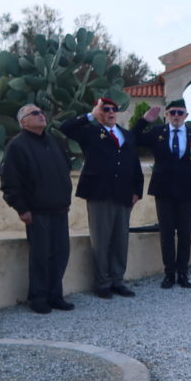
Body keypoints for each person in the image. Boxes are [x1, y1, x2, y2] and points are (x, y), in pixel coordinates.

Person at [60, 97, 144, 300]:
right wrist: (90, 115)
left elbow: (134, 162)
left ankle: (117, 280)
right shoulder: (90, 131)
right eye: (105, 109)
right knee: (101, 239)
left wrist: (137, 190)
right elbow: (65, 128)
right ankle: (102, 282)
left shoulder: (125, 135)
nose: (110, 112)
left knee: (120, 240)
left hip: (123, 194)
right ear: (99, 112)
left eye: (113, 109)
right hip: (100, 193)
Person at [1, 103, 74, 313]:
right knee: (40, 256)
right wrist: (21, 208)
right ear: (23, 122)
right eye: (34, 113)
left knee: (60, 254)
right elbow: (10, 181)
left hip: (59, 210)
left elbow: (64, 171)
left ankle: (55, 295)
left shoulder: (53, 141)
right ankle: (38, 297)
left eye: (41, 112)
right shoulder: (18, 145)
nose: (41, 115)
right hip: (37, 211)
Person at [132, 99, 191, 289]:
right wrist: (145, 120)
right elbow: (133, 138)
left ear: (186, 116)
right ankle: (169, 273)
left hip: (187, 191)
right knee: (166, 233)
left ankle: (183, 273)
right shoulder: (158, 133)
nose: (176, 116)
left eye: (180, 113)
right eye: (172, 112)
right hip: (163, 190)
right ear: (166, 115)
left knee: (184, 233)